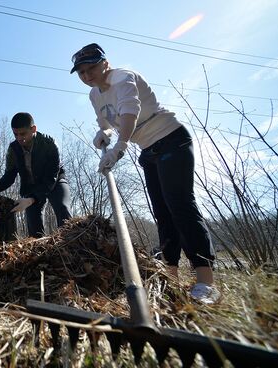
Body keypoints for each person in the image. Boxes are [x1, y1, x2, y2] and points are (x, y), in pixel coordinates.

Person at [70, 43, 220, 304]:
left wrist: (120, 145)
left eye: (91, 67)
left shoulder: (123, 77)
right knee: (162, 213)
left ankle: (206, 282)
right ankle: (171, 277)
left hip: (171, 139)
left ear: (105, 62)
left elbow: (130, 112)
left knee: (180, 205)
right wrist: (103, 133)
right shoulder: (94, 94)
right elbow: (105, 122)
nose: (87, 75)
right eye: (81, 72)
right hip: (149, 150)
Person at [0, 112, 72, 238]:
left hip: (55, 182)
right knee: (33, 222)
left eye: (22, 134)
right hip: (31, 186)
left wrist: (31, 199)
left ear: (33, 129)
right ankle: (41, 254)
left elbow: (51, 178)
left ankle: (71, 245)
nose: (19, 138)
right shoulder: (13, 149)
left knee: (63, 209)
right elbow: (8, 178)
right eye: (15, 134)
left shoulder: (49, 144)